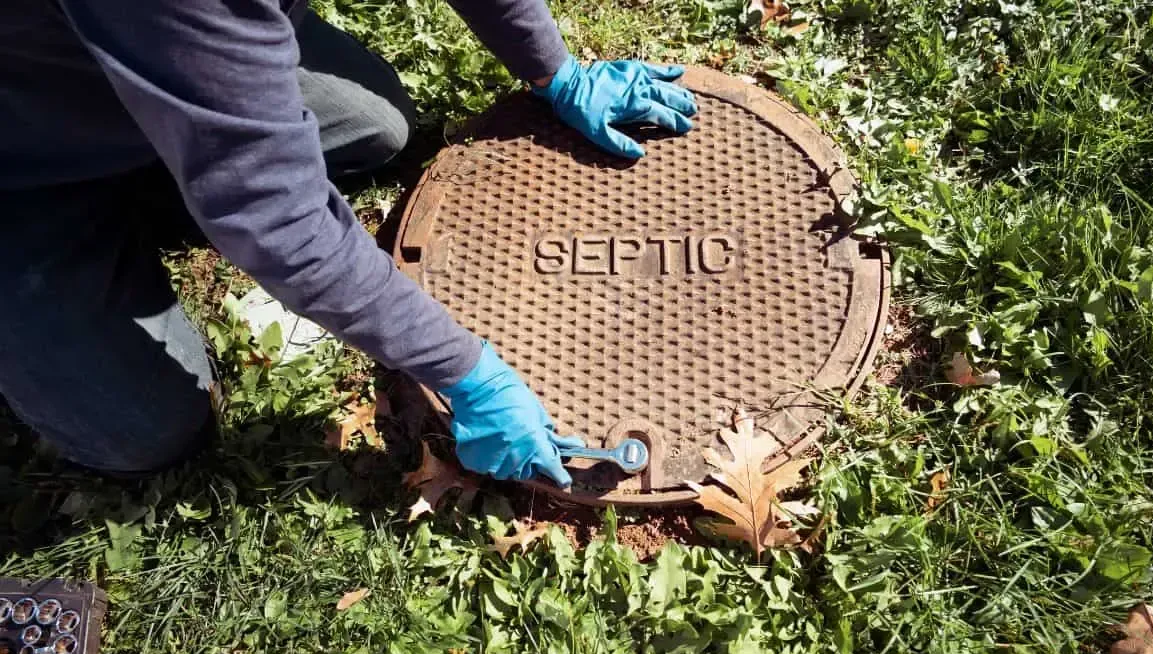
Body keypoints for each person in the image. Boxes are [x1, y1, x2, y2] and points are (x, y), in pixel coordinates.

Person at [0, 0, 697, 488]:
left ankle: (200, 136)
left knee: (377, 126)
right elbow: (279, 217)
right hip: (25, 162)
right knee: (142, 432)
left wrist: (555, 70)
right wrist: (464, 370)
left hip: (147, 45)